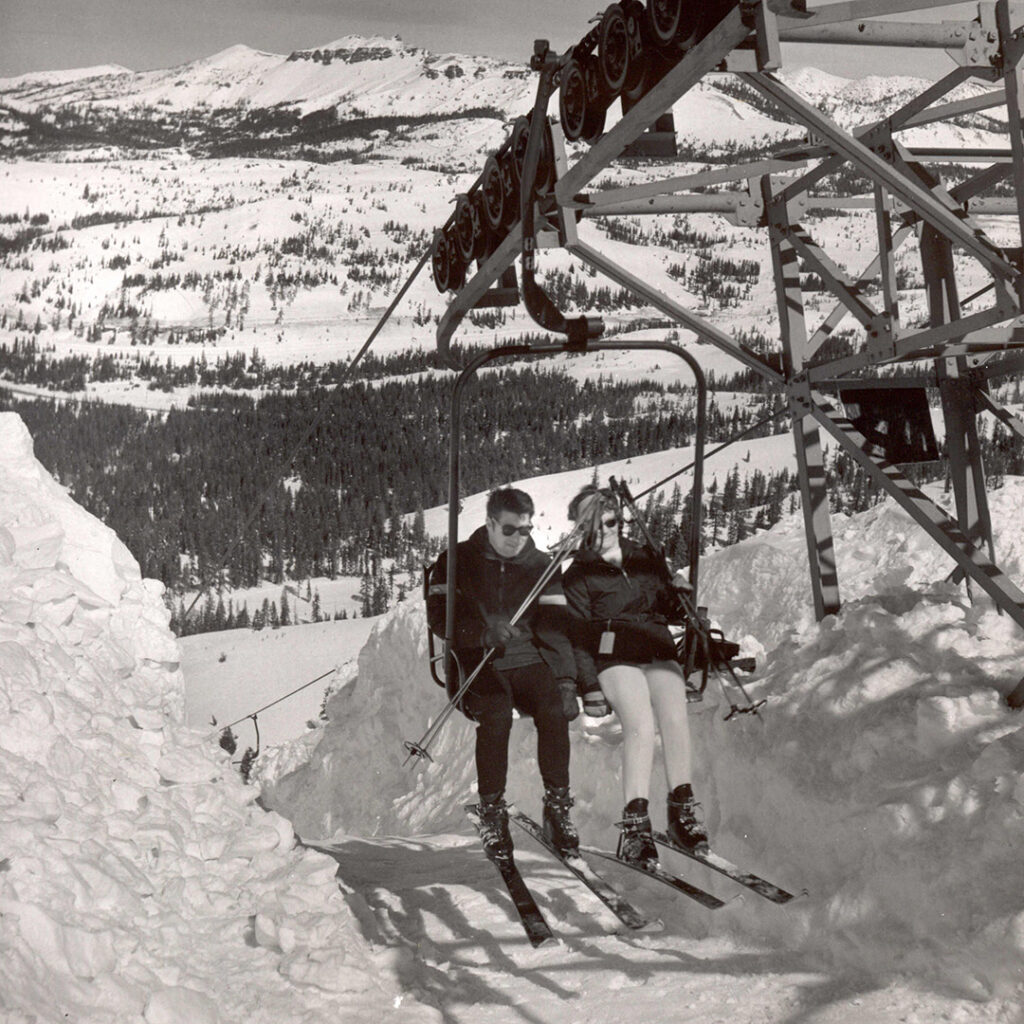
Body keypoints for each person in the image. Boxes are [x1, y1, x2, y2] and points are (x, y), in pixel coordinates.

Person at [426, 487, 580, 861]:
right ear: (491, 523)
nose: (518, 539)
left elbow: (557, 627)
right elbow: (438, 617)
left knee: (553, 708)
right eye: (509, 530)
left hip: (526, 660)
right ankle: (492, 809)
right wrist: (479, 632)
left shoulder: (541, 566)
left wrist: (565, 679)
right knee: (495, 711)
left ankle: (558, 805)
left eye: (525, 530)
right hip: (477, 660)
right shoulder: (457, 560)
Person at [562, 484, 708, 867]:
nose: (605, 530)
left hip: (655, 645)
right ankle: (635, 826)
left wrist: (679, 594)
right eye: (594, 525)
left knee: (675, 717)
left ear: (619, 519)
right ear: (580, 529)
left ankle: (681, 810)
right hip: (614, 654)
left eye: (610, 521)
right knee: (641, 724)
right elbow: (577, 635)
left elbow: (669, 608)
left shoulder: (645, 557)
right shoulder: (578, 575)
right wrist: (588, 686)